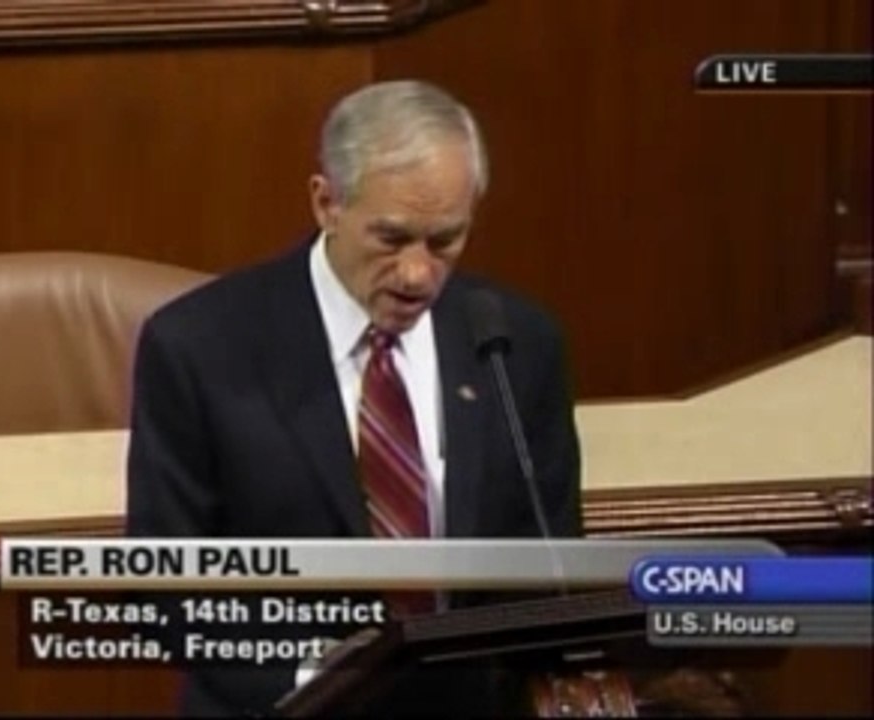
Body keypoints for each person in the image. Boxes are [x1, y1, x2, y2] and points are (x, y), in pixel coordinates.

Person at [126, 79, 582, 717]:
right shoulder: (200, 348)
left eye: (445, 240)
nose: (418, 274)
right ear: (326, 203)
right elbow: (166, 589)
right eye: (391, 239)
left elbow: (547, 561)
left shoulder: (515, 343)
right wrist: (331, 680)